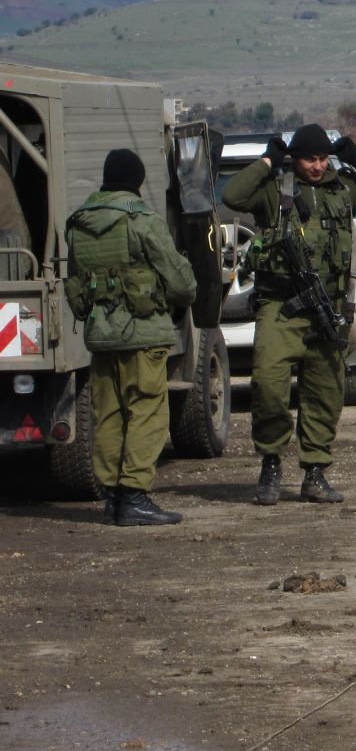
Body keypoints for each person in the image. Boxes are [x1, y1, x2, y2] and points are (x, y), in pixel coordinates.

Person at [221, 124, 356, 505]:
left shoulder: (344, 190)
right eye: (309, 159)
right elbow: (233, 195)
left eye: (323, 158)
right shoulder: (276, 190)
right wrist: (268, 160)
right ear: (295, 158)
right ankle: (271, 462)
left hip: (330, 308)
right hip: (280, 306)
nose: (317, 166)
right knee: (269, 386)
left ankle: (314, 472)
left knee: (324, 392)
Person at [65, 149, 197, 526]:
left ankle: (112, 498)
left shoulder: (78, 223)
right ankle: (134, 496)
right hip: (143, 333)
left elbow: (76, 281)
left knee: (107, 413)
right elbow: (180, 282)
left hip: (101, 334)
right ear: (137, 181)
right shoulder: (142, 221)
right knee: (147, 411)